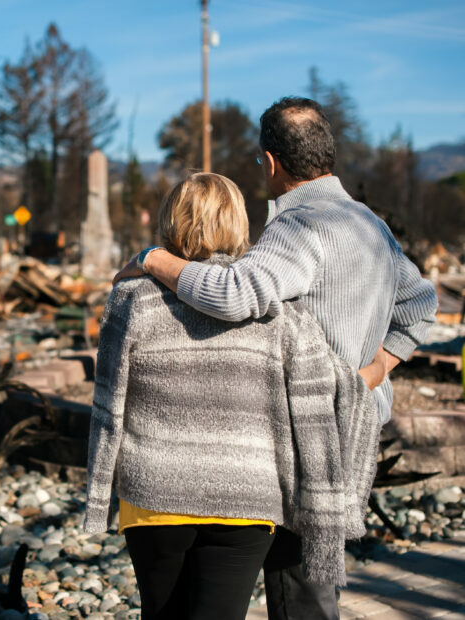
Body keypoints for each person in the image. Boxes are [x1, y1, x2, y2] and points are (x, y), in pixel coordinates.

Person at [115, 97, 438, 619]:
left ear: (269, 162)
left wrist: (153, 259)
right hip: (356, 428)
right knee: (315, 587)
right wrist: (375, 372)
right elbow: (422, 307)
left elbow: (233, 294)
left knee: (297, 594)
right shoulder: (369, 225)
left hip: (305, 434)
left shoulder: (299, 227)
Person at [85, 172, 380, 620]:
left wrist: (98, 496)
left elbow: (109, 404)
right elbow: (315, 400)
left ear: (170, 221)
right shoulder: (276, 308)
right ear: (240, 224)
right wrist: (375, 372)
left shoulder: (132, 296)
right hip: (247, 498)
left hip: (155, 493)